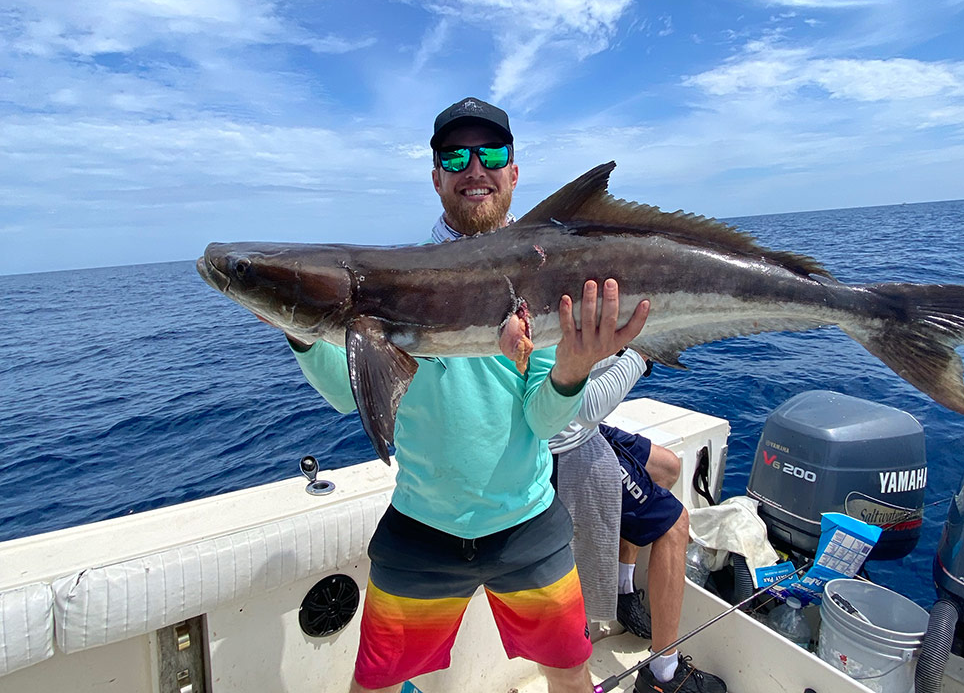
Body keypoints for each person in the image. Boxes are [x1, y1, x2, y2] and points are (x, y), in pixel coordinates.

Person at [284, 97, 650, 693]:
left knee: (570, 674)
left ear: (512, 172)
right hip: (422, 526)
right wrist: (300, 332)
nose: (473, 168)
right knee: (373, 686)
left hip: (526, 524)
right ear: (436, 177)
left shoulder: (546, 276)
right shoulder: (400, 275)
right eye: (455, 155)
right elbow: (348, 396)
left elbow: (541, 418)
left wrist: (574, 368)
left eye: (491, 153)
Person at [549, 350, 727, 693]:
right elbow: (587, 405)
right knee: (674, 525)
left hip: (584, 428)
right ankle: (663, 673)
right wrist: (639, 354)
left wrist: (616, 348)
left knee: (668, 467)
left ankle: (622, 587)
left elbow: (583, 363)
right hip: (566, 444)